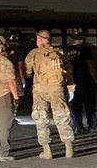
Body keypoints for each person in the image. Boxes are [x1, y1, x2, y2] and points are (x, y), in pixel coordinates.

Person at [24, 30, 76, 159]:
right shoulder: (60, 52)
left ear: (40, 39)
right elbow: (68, 72)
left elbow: (27, 72)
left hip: (40, 90)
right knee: (62, 117)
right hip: (57, 89)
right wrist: (71, 88)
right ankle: (69, 149)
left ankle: (47, 151)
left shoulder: (34, 54)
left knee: (41, 119)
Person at [64, 29, 97, 134]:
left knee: (76, 105)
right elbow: (90, 65)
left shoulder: (67, 50)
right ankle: (93, 126)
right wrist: (95, 79)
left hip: (72, 81)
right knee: (89, 104)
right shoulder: (85, 49)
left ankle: (78, 127)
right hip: (85, 80)